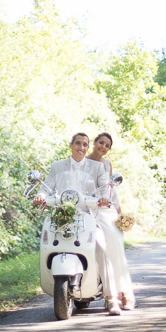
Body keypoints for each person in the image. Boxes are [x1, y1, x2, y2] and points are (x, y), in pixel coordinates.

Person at [33, 131, 123, 316]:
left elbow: (105, 185)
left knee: (100, 247)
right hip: (62, 215)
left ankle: (111, 297)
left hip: (88, 215)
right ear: (71, 144)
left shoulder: (96, 167)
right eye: (78, 143)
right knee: (48, 242)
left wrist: (104, 198)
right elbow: (46, 186)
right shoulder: (58, 166)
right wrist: (41, 195)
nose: (81, 147)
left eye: (85, 144)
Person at [87, 132, 136, 311]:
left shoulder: (107, 164)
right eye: (101, 143)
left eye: (107, 145)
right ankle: (109, 294)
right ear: (94, 142)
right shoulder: (82, 162)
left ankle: (124, 293)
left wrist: (119, 209)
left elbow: (111, 188)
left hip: (106, 208)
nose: (103, 147)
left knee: (116, 244)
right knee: (100, 246)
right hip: (88, 208)